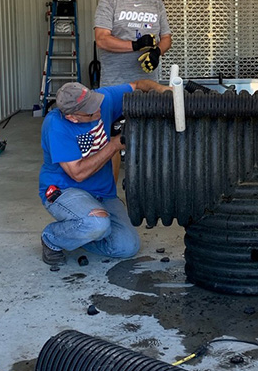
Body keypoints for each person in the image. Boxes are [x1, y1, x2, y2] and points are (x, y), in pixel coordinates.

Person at [39, 79, 171, 267]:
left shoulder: (102, 100)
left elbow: (139, 85)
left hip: (102, 193)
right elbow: (78, 173)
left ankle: (83, 233)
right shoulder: (56, 125)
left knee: (128, 246)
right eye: (91, 111)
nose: (98, 110)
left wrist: (162, 89)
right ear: (72, 117)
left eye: (95, 102)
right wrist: (114, 145)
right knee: (96, 224)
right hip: (65, 190)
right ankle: (52, 238)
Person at [94, 0, 172, 85]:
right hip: (115, 85)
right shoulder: (109, 0)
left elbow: (166, 38)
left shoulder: (156, 3)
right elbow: (101, 39)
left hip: (148, 85)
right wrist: (135, 45)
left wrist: (157, 52)